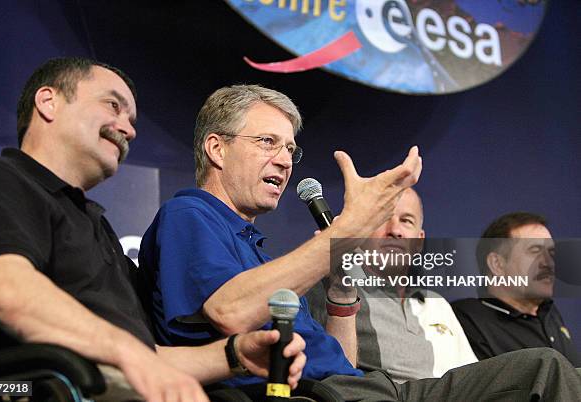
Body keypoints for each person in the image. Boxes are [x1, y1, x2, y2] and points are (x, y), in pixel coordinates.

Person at [140, 84, 581, 401]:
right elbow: (228, 311)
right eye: (267, 142)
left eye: (290, 149)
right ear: (217, 149)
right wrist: (345, 231)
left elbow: (342, 367)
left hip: (358, 390)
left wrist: (340, 295)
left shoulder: (252, 244)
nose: (284, 160)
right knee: (542, 369)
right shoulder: (190, 214)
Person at [0, 58, 306, 402]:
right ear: (48, 102)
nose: (128, 129)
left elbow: (152, 359)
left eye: (131, 121)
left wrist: (235, 356)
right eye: (113, 106)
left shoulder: (96, 227)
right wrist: (128, 353)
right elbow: (4, 291)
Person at [308, 188, 477, 383]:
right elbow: (332, 379)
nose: (395, 231)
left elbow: (474, 378)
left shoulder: (436, 303)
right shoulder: (331, 291)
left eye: (406, 221)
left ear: (419, 242)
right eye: (383, 218)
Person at [452, 212, 581, 366]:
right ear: (497, 264)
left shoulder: (549, 313)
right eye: (535, 251)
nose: (549, 263)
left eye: (551, 253)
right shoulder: (466, 320)